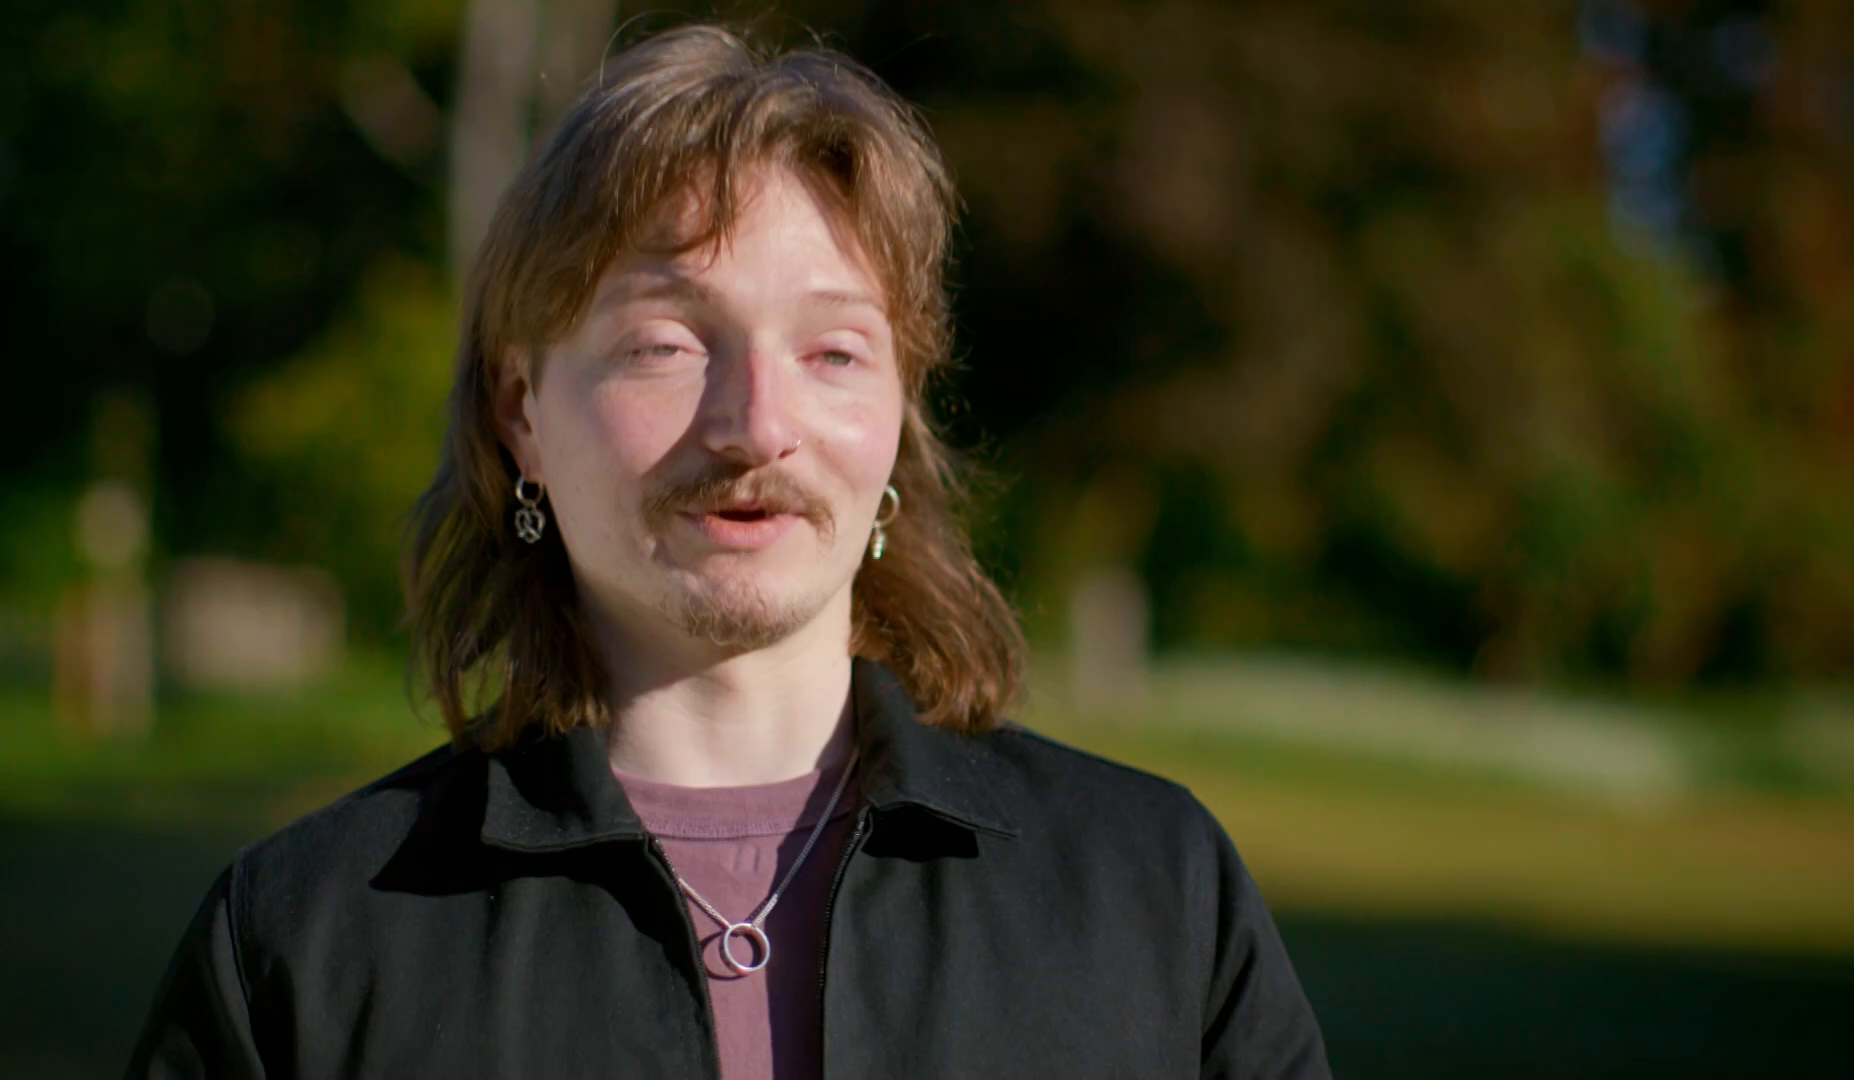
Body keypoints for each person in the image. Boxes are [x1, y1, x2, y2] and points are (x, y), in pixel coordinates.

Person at [126, 23, 1330, 1080]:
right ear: (520, 411)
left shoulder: (1155, 891)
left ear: (897, 417)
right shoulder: (303, 942)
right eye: (665, 343)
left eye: (834, 352)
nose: (756, 425)